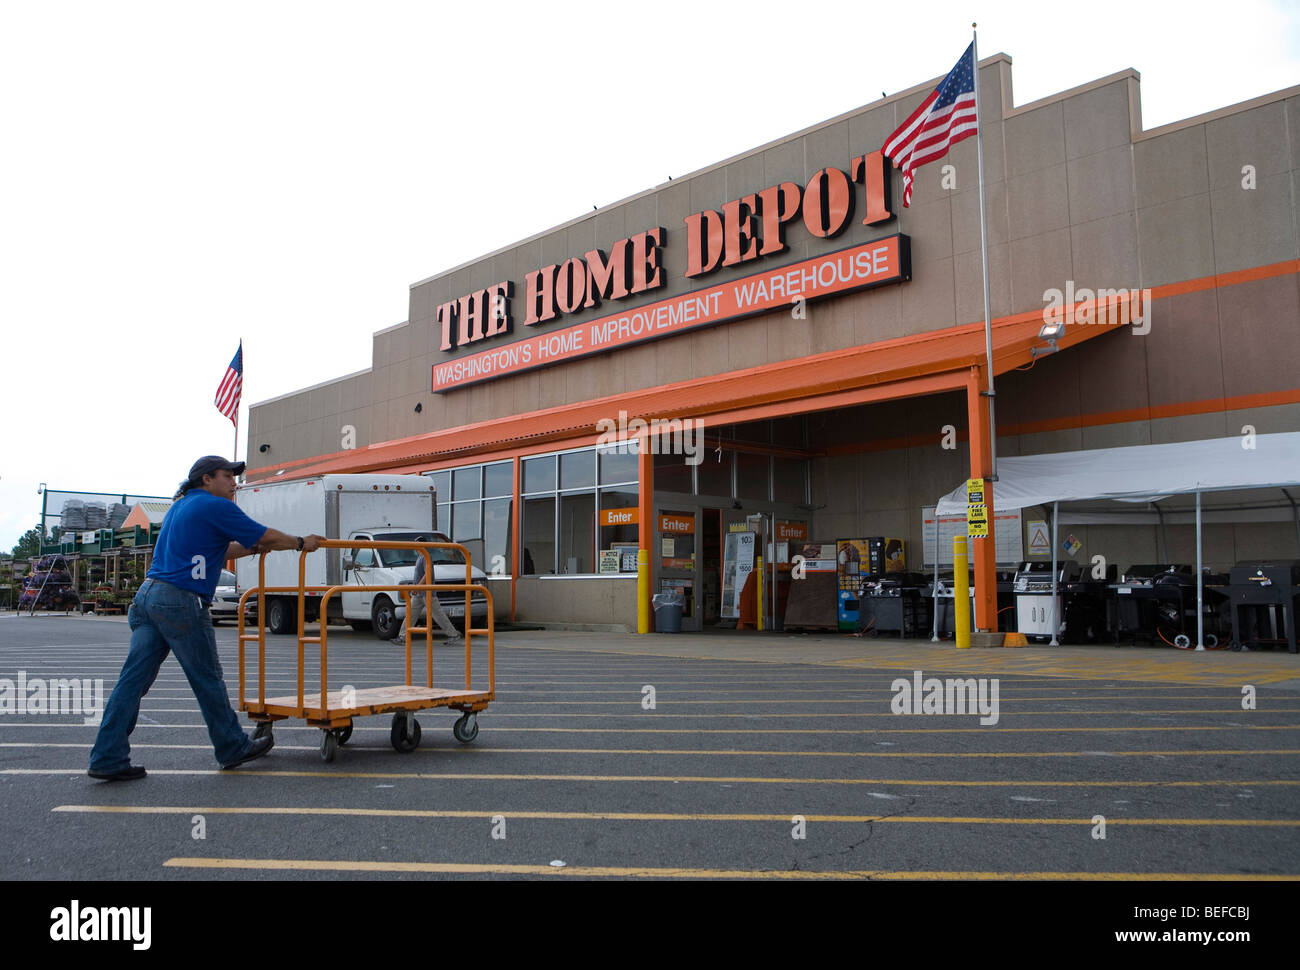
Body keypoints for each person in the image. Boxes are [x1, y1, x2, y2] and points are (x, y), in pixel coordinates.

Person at [88, 456, 325, 781]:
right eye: (227, 476)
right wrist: (300, 543)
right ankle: (231, 747)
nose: (233, 483)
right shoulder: (216, 506)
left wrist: (253, 549)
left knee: (132, 683)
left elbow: (221, 550)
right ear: (206, 479)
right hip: (180, 599)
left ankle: (106, 756)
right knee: (208, 678)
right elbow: (266, 535)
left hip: (148, 597)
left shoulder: (180, 507)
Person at [393, 536, 461, 644]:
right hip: (419, 593)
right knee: (410, 614)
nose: (414, 546)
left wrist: (418, 586)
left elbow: (427, 573)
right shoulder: (421, 557)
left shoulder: (425, 557)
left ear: (422, 545)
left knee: (438, 615)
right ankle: (402, 637)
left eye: (416, 544)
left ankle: (454, 634)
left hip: (427, 592)